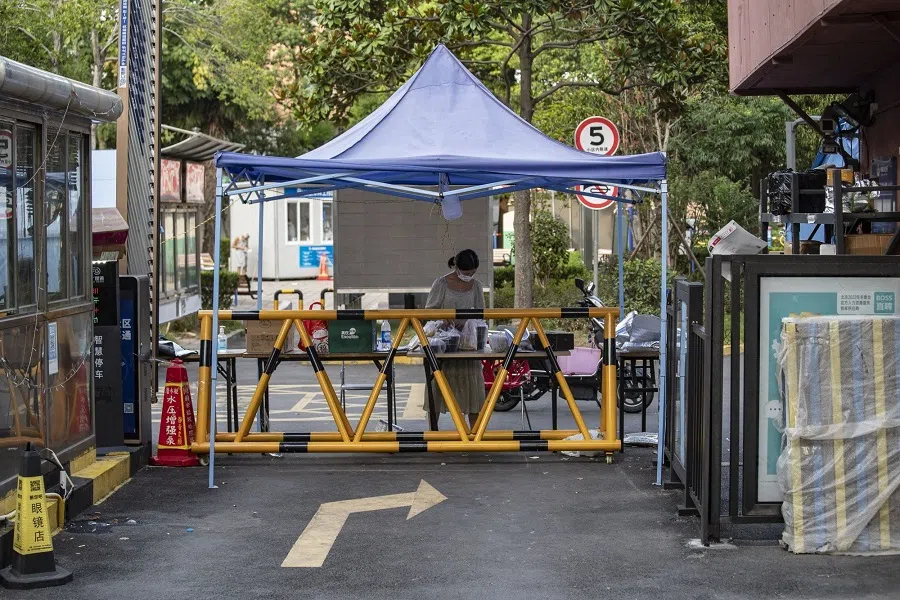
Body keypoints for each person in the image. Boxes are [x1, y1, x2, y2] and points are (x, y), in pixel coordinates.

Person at [423, 249, 485, 429]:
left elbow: (481, 313)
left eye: (472, 273)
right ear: (457, 268)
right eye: (466, 273)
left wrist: (467, 320)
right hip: (445, 345)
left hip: (468, 345)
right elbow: (428, 311)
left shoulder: (477, 286)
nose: (469, 277)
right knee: (438, 387)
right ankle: (434, 434)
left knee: (473, 390)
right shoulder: (441, 283)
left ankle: (474, 434)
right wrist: (443, 318)